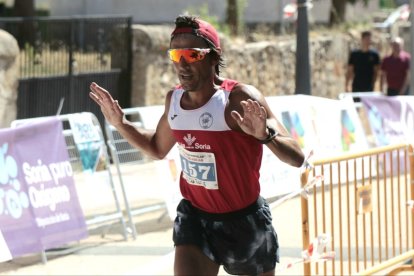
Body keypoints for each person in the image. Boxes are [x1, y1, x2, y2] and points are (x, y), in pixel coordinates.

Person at [89, 15, 304, 276]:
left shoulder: (238, 99)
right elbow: (157, 148)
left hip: (244, 220)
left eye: (192, 55)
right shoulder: (175, 100)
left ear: (213, 57)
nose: (182, 64)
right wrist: (121, 123)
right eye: (175, 54)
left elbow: (297, 157)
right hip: (196, 219)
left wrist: (265, 136)